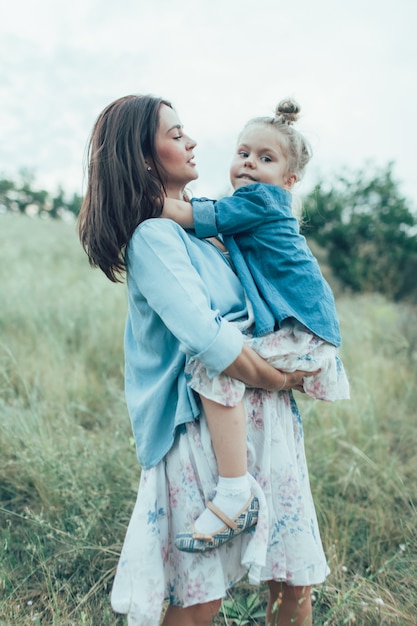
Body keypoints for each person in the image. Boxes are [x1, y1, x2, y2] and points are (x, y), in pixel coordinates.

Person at [78, 93, 329, 626]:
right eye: (174, 135)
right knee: (199, 600)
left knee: (293, 583)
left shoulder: (212, 235)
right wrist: (282, 378)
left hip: (264, 422)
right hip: (203, 435)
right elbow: (209, 341)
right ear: (145, 159)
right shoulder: (153, 236)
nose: (192, 141)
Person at [164, 99, 349, 550]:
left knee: (217, 362)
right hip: (306, 328)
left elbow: (193, 217)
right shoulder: (254, 204)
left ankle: (234, 495)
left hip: (305, 330)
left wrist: (135, 196)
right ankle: (236, 486)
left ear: (289, 180)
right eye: (243, 152)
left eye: (266, 159)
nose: (249, 163)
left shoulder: (261, 200)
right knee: (226, 358)